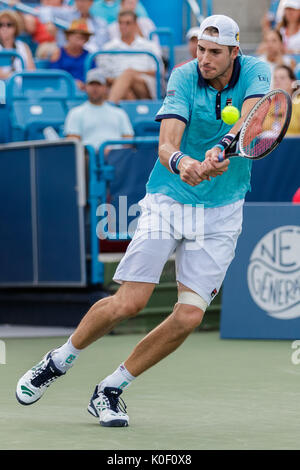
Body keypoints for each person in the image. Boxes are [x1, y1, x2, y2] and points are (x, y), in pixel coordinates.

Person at [16, 15, 271, 428]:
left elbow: (251, 119)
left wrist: (224, 147)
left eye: (214, 53)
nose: (204, 59)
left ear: (234, 53)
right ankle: (59, 360)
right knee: (130, 301)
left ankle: (111, 388)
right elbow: (166, 143)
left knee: (189, 316)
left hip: (223, 210)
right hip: (169, 198)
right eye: (200, 49)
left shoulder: (257, 71)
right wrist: (184, 162)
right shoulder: (185, 76)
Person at [97, 10, 162, 103]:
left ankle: (109, 106)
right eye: (120, 23)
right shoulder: (108, 47)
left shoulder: (149, 46)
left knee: (128, 74)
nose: (123, 26)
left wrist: (133, 73)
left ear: (135, 24)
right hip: (117, 86)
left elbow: (158, 71)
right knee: (127, 90)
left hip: (145, 87)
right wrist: (122, 81)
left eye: (128, 23)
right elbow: (104, 74)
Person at [64, 68, 134, 151]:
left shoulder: (119, 113)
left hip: (117, 157)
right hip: (89, 157)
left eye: (98, 85)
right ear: (86, 87)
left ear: (105, 88)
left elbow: (128, 140)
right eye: (91, 84)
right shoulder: (76, 113)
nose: (95, 88)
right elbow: (73, 142)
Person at [39, 0, 110, 53]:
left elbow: (103, 45)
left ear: (91, 2)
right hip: (71, 54)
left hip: (93, 57)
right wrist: (48, 22)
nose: (81, 4)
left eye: (84, 1)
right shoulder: (67, 14)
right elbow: (45, 10)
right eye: (78, 0)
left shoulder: (100, 22)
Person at [49, 19, 93, 90]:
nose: (80, 41)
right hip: (62, 90)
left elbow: (93, 77)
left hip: (84, 91)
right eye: (78, 37)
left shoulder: (89, 56)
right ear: (68, 36)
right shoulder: (58, 53)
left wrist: (83, 84)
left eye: (84, 38)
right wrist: (72, 83)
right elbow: (54, 76)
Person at [0, 9, 35, 79]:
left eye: (9, 25)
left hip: (21, 87)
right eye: (1, 25)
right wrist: (16, 76)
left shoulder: (24, 46)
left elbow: (31, 72)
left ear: (16, 27)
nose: (4, 28)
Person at [273, 64, 300, 134]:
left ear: (292, 82)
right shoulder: (267, 104)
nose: (277, 81)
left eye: (282, 78)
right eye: (275, 78)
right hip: (269, 144)